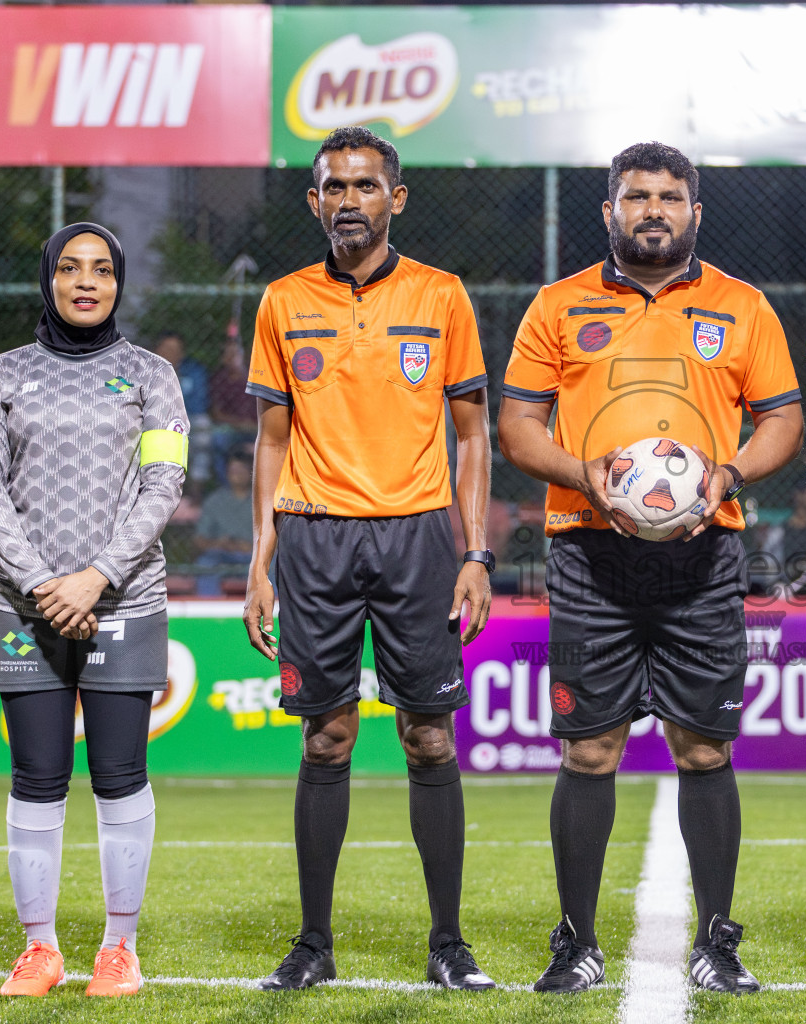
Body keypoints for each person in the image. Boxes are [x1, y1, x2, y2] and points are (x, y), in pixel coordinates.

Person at [499, 141, 804, 994]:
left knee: (704, 749)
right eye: (637, 197)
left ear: (695, 212)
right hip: (586, 553)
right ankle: (576, 941)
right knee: (589, 750)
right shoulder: (557, 306)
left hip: (704, 555)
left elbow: (783, 421)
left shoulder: (742, 306)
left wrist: (729, 474)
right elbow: (517, 427)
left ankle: (717, 940)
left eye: (671, 197)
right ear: (610, 211)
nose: (654, 210)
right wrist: (583, 475)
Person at [242, 126, 496, 992]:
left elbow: (473, 436)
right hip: (313, 536)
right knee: (328, 736)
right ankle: (313, 945)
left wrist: (476, 552)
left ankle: (449, 944)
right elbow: (271, 442)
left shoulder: (442, 295)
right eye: (335, 187)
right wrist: (260, 562)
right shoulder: (282, 301)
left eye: (365, 185)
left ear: (396, 198)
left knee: (428, 736)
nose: (349, 200)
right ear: (314, 200)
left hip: (417, 535)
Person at [0, 223, 189, 998]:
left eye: (101, 270)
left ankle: (119, 950)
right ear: (49, 278)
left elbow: (163, 483)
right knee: (37, 776)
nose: (86, 281)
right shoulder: (1, 374)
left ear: (119, 282)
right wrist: (42, 584)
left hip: (125, 600)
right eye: (69, 268)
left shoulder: (152, 375)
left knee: (120, 774)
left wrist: (96, 578)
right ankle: (40, 951)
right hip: (25, 607)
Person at [193, 448, 253, 596]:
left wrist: (254, 548)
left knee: (273, 564)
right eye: (233, 470)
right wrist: (219, 544)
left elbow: (276, 539)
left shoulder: (263, 500)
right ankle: (210, 608)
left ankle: (273, 607)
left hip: (254, 557)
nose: (237, 474)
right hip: (221, 556)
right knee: (205, 563)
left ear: (251, 472)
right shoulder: (214, 501)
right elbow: (199, 540)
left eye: (242, 469)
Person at [153, 332, 211, 481]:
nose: (170, 353)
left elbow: (199, 404)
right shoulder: (147, 369)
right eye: (166, 348)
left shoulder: (193, 371)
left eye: (175, 349)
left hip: (189, 418)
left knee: (203, 426)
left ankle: (198, 484)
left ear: (182, 353)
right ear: (157, 350)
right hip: (155, 419)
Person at [207, 334, 257, 484]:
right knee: (218, 438)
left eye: (236, 354)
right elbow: (216, 414)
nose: (232, 358)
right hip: (231, 428)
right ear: (223, 359)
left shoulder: (256, 376)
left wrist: (255, 425)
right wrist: (239, 423)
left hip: (257, 427)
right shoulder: (219, 379)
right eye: (228, 354)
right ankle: (225, 486)